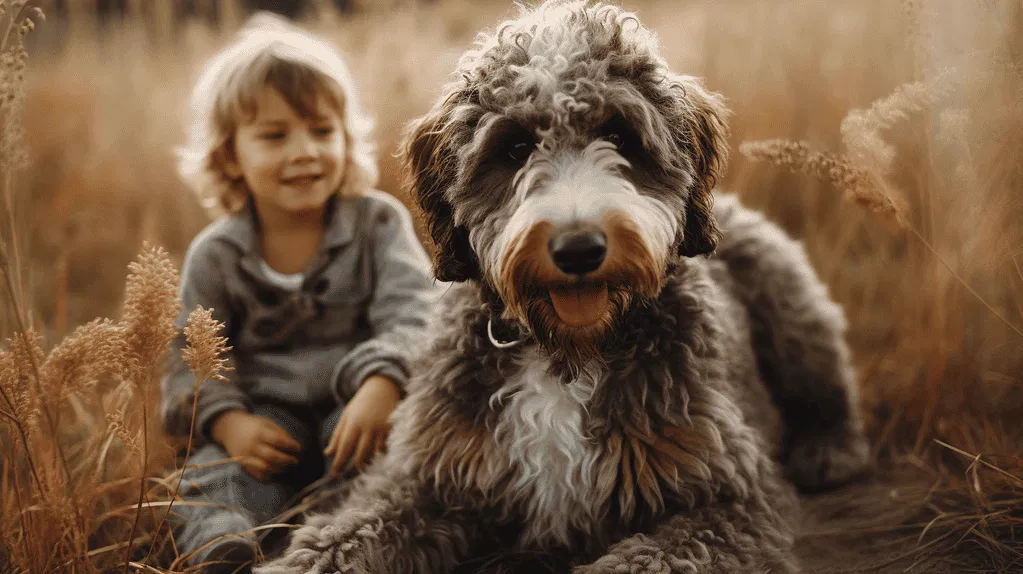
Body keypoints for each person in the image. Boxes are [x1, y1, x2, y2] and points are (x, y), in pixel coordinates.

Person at [161, 13, 435, 571]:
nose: (304, 151)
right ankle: (227, 551)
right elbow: (191, 360)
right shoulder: (215, 255)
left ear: (347, 138)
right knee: (211, 477)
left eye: (322, 131)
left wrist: (384, 383)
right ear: (230, 155)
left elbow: (416, 312)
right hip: (264, 425)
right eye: (275, 136)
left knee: (399, 464)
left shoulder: (378, 225)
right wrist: (230, 424)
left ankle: (338, 548)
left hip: (357, 414)